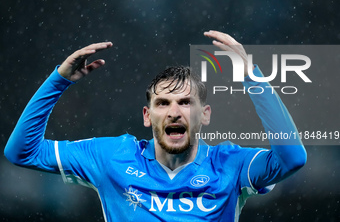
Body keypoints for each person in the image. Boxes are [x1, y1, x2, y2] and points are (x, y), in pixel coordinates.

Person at [5, 30, 307, 222]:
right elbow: (22, 152)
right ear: (148, 116)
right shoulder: (112, 158)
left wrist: (252, 78)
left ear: (205, 115)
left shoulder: (230, 164)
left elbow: (293, 158)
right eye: (163, 103)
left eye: (186, 102)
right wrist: (58, 81)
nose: (174, 112)